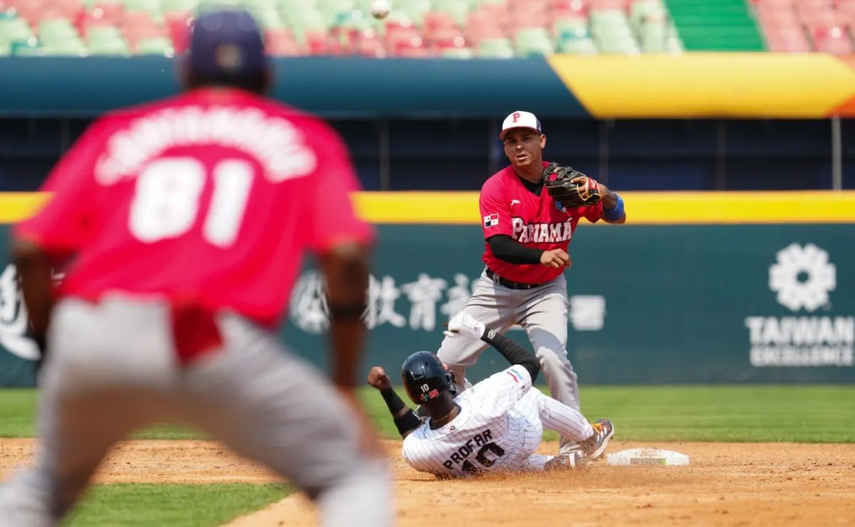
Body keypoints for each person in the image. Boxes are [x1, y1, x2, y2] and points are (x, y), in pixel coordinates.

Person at [0, 9, 393, 527]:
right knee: (353, 474)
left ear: (184, 72)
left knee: (44, 487)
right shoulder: (301, 137)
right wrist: (342, 385)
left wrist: (53, 349)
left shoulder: (121, 129)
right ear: (267, 75)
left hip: (94, 329)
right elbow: (345, 254)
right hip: (212, 339)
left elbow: (31, 247)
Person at [435, 110, 627, 456]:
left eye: (526, 138)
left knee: (552, 359)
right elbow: (499, 245)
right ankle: (465, 428)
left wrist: (604, 193)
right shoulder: (496, 187)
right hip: (496, 289)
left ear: (542, 141)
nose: (519, 145)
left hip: (545, 291)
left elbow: (618, 215)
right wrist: (541, 255)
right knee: (446, 364)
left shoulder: (569, 184)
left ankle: (577, 442)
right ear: (505, 148)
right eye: (511, 141)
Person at [367, 312, 615, 478]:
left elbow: (412, 433)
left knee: (493, 465)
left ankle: (552, 464)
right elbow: (530, 364)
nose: (447, 367)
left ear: (414, 398)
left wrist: (386, 391)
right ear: (445, 379)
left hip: (485, 468)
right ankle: (589, 436)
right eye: (443, 368)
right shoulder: (483, 398)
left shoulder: (417, 452)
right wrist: (483, 331)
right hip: (520, 439)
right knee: (530, 395)